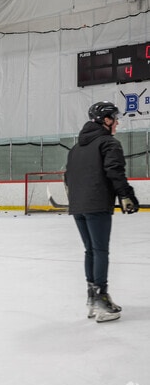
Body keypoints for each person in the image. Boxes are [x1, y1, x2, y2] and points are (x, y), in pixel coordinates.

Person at [65, 101, 139, 323]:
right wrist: (126, 195)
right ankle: (102, 301)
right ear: (105, 120)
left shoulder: (76, 148)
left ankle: (92, 299)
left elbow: (68, 177)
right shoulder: (109, 143)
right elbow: (114, 170)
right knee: (100, 251)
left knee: (90, 250)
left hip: (78, 205)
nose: (117, 123)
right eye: (115, 118)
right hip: (97, 205)